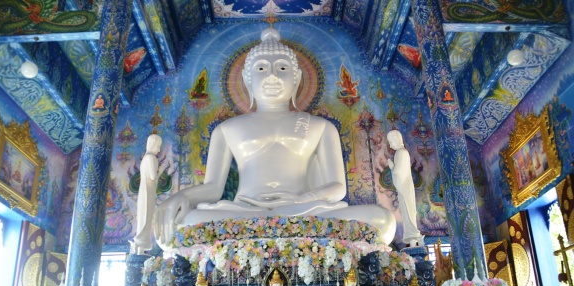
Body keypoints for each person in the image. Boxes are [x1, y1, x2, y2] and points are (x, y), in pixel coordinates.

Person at [153, 27, 396, 252]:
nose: (272, 77)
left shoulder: (321, 127)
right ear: (248, 80)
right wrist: (179, 197)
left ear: (297, 78)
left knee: (382, 220)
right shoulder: (227, 129)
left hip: (304, 209)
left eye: (282, 68)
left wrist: (303, 199)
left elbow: (337, 188)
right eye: (260, 69)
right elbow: (214, 189)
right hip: (244, 210)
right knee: (180, 223)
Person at [387, 130, 424, 247]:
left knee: (408, 213)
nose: (390, 144)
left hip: (404, 187)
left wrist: (391, 167)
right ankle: (413, 238)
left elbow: (398, 173)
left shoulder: (401, 153)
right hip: (405, 187)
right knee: (408, 213)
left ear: (397, 139)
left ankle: (414, 236)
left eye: (391, 141)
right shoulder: (402, 153)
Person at [132, 132, 162, 255]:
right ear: (151, 145)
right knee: (145, 216)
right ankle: (141, 242)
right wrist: (162, 169)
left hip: (146, 190)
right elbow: (154, 177)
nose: (159, 149)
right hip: (147, 190)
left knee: (145, 216)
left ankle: (141, 244)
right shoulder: (151, 158)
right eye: (158, 146)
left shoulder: (147, 158)